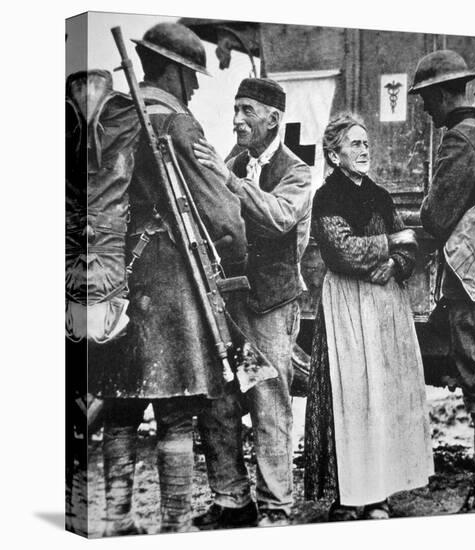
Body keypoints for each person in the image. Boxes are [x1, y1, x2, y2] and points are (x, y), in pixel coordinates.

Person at [88, 22, 248, 535]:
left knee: (119, 411)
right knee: (177, 413)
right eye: (193, 76)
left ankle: (116, 521)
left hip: (116, 277)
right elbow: (223, 215)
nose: (197, 87)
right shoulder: (178, 125)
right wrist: (236, 258)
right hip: (171, 279)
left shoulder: (114, 115)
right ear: (176, 71)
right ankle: (177, 524)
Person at [193, 77, 312, 528]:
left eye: (246, 110)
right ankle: (232, 499)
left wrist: (227, 181)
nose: (237, 119)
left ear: (272, 120)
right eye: (235, 109)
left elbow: (281, 218)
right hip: (231, 307)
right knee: (220, 401)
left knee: (269, 401)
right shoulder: (232, 160)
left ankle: (277, 507)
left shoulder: (297, 171)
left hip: (271, 308)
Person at [302, 113, 433, 520]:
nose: (364, 150)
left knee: (384, 395)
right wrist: (392, 243)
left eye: (366, 143)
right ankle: (349, 496)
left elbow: (410, 247)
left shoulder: (380, 195)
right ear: (333, 153)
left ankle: (378, 495)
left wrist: (395, 264)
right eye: (355, 144)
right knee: (350, 396)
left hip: (384, 305)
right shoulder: (326, 197)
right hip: (347, 306)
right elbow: (342, 251)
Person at [409, 50, 475, 512]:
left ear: (445, 93)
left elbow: (435, 214)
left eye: (427, 98)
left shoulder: (461, 139)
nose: (425, 109)